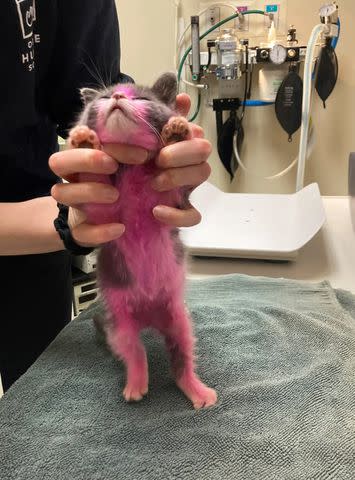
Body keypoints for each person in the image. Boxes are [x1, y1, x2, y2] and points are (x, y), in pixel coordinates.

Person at [0, 0, 211, 392]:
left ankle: (179, 376)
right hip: (49, 213)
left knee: (44, 391)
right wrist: (69, 217)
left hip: (42, 212)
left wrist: (167, 164)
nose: (119, 100)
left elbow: (90, 94)